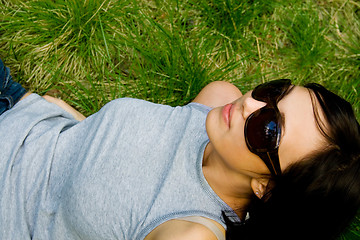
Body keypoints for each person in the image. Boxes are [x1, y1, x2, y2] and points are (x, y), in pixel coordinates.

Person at [0, 57, 359, 240]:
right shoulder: (216, 103)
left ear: (267, 188)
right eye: (274, 93)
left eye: (268, 129)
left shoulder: (191, 231)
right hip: (16, 103)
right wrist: (78, 124)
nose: (250, 103)